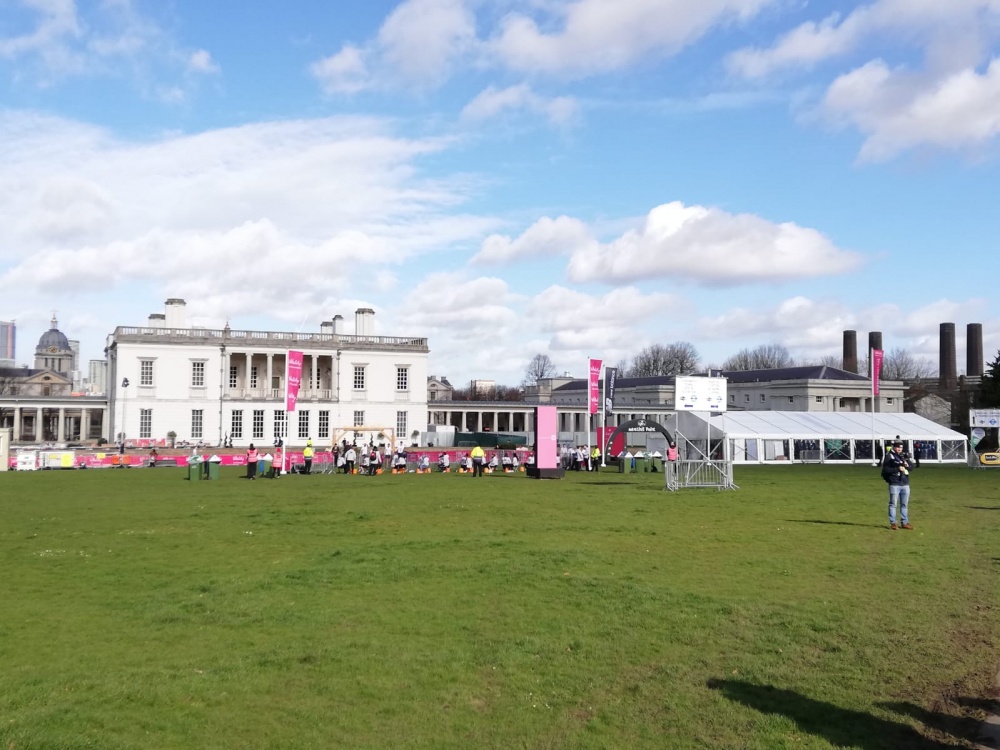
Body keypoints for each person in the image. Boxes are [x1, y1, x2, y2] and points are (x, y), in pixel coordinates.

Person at [881, 440, 914, 530]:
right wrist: (897, 469)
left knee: (904, 504)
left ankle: (905, 522)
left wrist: (907, 465)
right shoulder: (889, 456)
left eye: (901, 447)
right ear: (894, 447)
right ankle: (893, 523)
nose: (900, 449)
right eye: (898, 447)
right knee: (893, 504)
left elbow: (912, 467)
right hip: (894, 483)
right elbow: (886, 470)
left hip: (905, 483)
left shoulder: (903, 456)